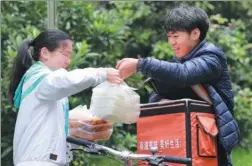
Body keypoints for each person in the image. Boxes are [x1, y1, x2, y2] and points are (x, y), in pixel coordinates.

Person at [116, 6, 239, 166]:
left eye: (175, 36)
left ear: (195, 33)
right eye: (169, 36)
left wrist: (140, 64)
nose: (171, 42)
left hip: (210, 140)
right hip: (185, 138)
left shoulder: (212, 58)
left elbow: (183, 74)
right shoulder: (181, 61)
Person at [9, 29, 123, 166]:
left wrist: (79, 128)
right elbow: (66, 81)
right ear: (45, 53)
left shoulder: (42, 81)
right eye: (65, 54)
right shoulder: (40, 78)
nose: (68, 61)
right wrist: (101, 73)